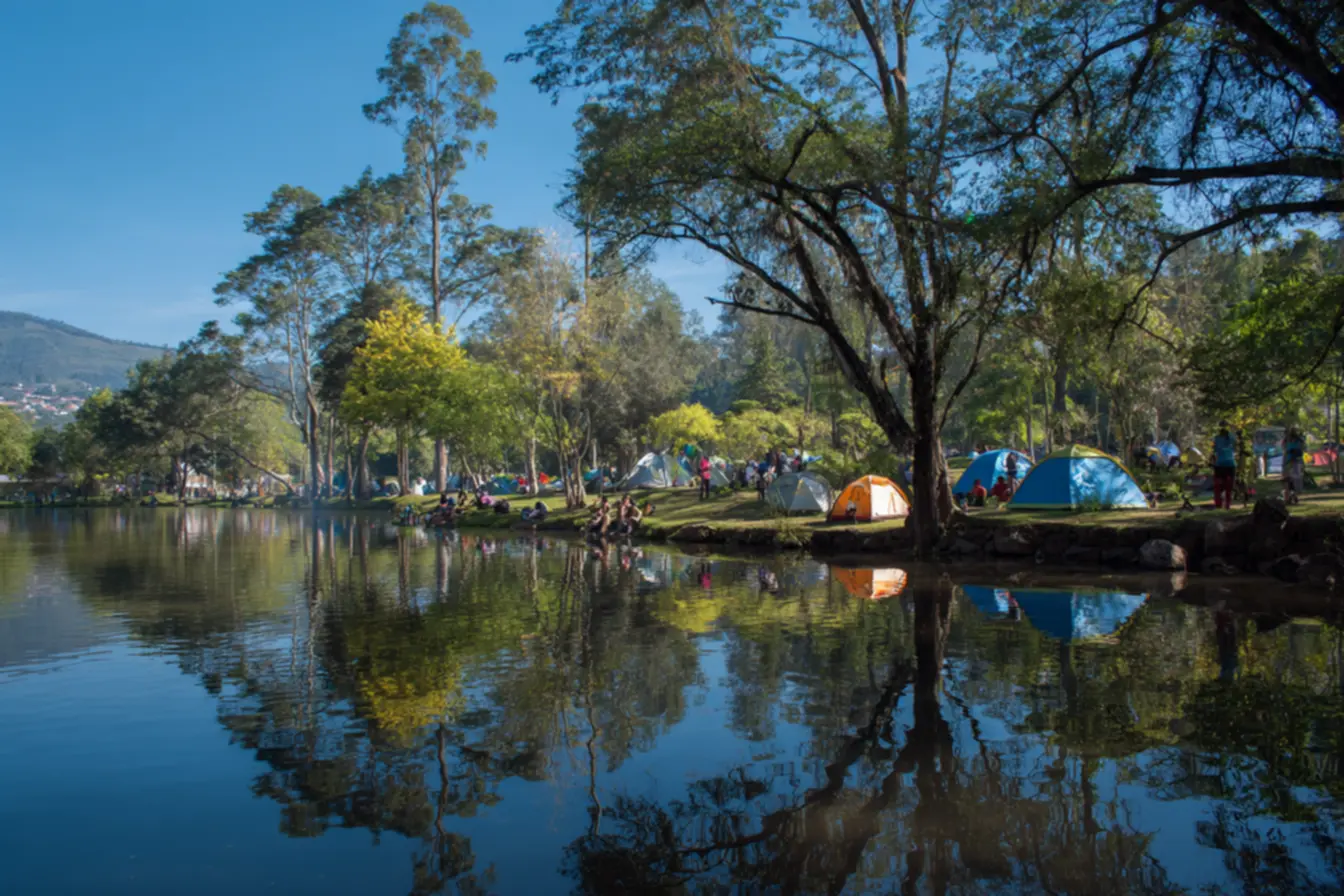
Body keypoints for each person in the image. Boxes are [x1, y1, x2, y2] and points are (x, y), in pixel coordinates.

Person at [1212, 422, 1237, 509]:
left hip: (1219, 465)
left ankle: (1218, 504)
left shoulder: (1217, 439)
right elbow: (1235, 439)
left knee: (1218, 487)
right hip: (1230, 465)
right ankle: (1227, 505)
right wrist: (1230, 425)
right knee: (1229, 488)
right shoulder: (1231, 439)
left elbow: (1214, 450)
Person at [1283, 427, 1306, 504]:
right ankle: (1291, 496)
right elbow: (1302, 450)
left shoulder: (1287, 441)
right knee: (1293, 479)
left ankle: (1290, 497)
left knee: (1290, 480)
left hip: (1290, 461)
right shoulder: (1299, 441)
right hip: (1294, 461)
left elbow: (1284, 449)